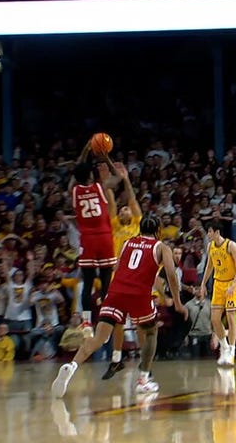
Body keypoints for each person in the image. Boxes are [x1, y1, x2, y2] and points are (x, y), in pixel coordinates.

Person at [53, 215, 187, 398]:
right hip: (139, 294)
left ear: (140, 229)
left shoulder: (127, 243)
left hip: (116, 291)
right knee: (150, 332)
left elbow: (117, 267)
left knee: (99, 337)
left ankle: (72, 366)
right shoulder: (161, 247)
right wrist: (178, 303)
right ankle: (143, 380)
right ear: (158, 231)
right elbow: (171, 275)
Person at [103, 162, 145, 380]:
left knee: (140, 321)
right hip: (117, 278)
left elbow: (131, 199)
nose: (123, 209)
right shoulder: (114, 225)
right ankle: (117, 358)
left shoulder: (137, 224)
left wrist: (126, 179)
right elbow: (109, 198)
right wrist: (109, 179)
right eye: (121, 210)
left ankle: (145, 361)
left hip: (136, 278)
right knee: (117, 321)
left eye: (125, 208)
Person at [71, 159, 116, 315]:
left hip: (87, 239)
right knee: (106, 283)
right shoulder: (99, 187)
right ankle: (106, 317)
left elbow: (76, 173)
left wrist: (84, 153)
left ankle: (87, 322)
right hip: (103, 237)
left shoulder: (75, 191)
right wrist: (107, 159)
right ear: (90, 175)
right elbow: (118, 178)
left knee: (87, 284)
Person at [199, 221, 236, 367]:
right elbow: (209, 266)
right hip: (218, 283)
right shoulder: (210, 246)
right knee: (215, 319)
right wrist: (203, 284)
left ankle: (232, 350)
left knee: (231, 317)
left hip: (232, 283)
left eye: (210, 231)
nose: (208, 234)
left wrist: (233, 284)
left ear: (217, 232)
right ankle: (223, 347)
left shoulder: (231, 246)